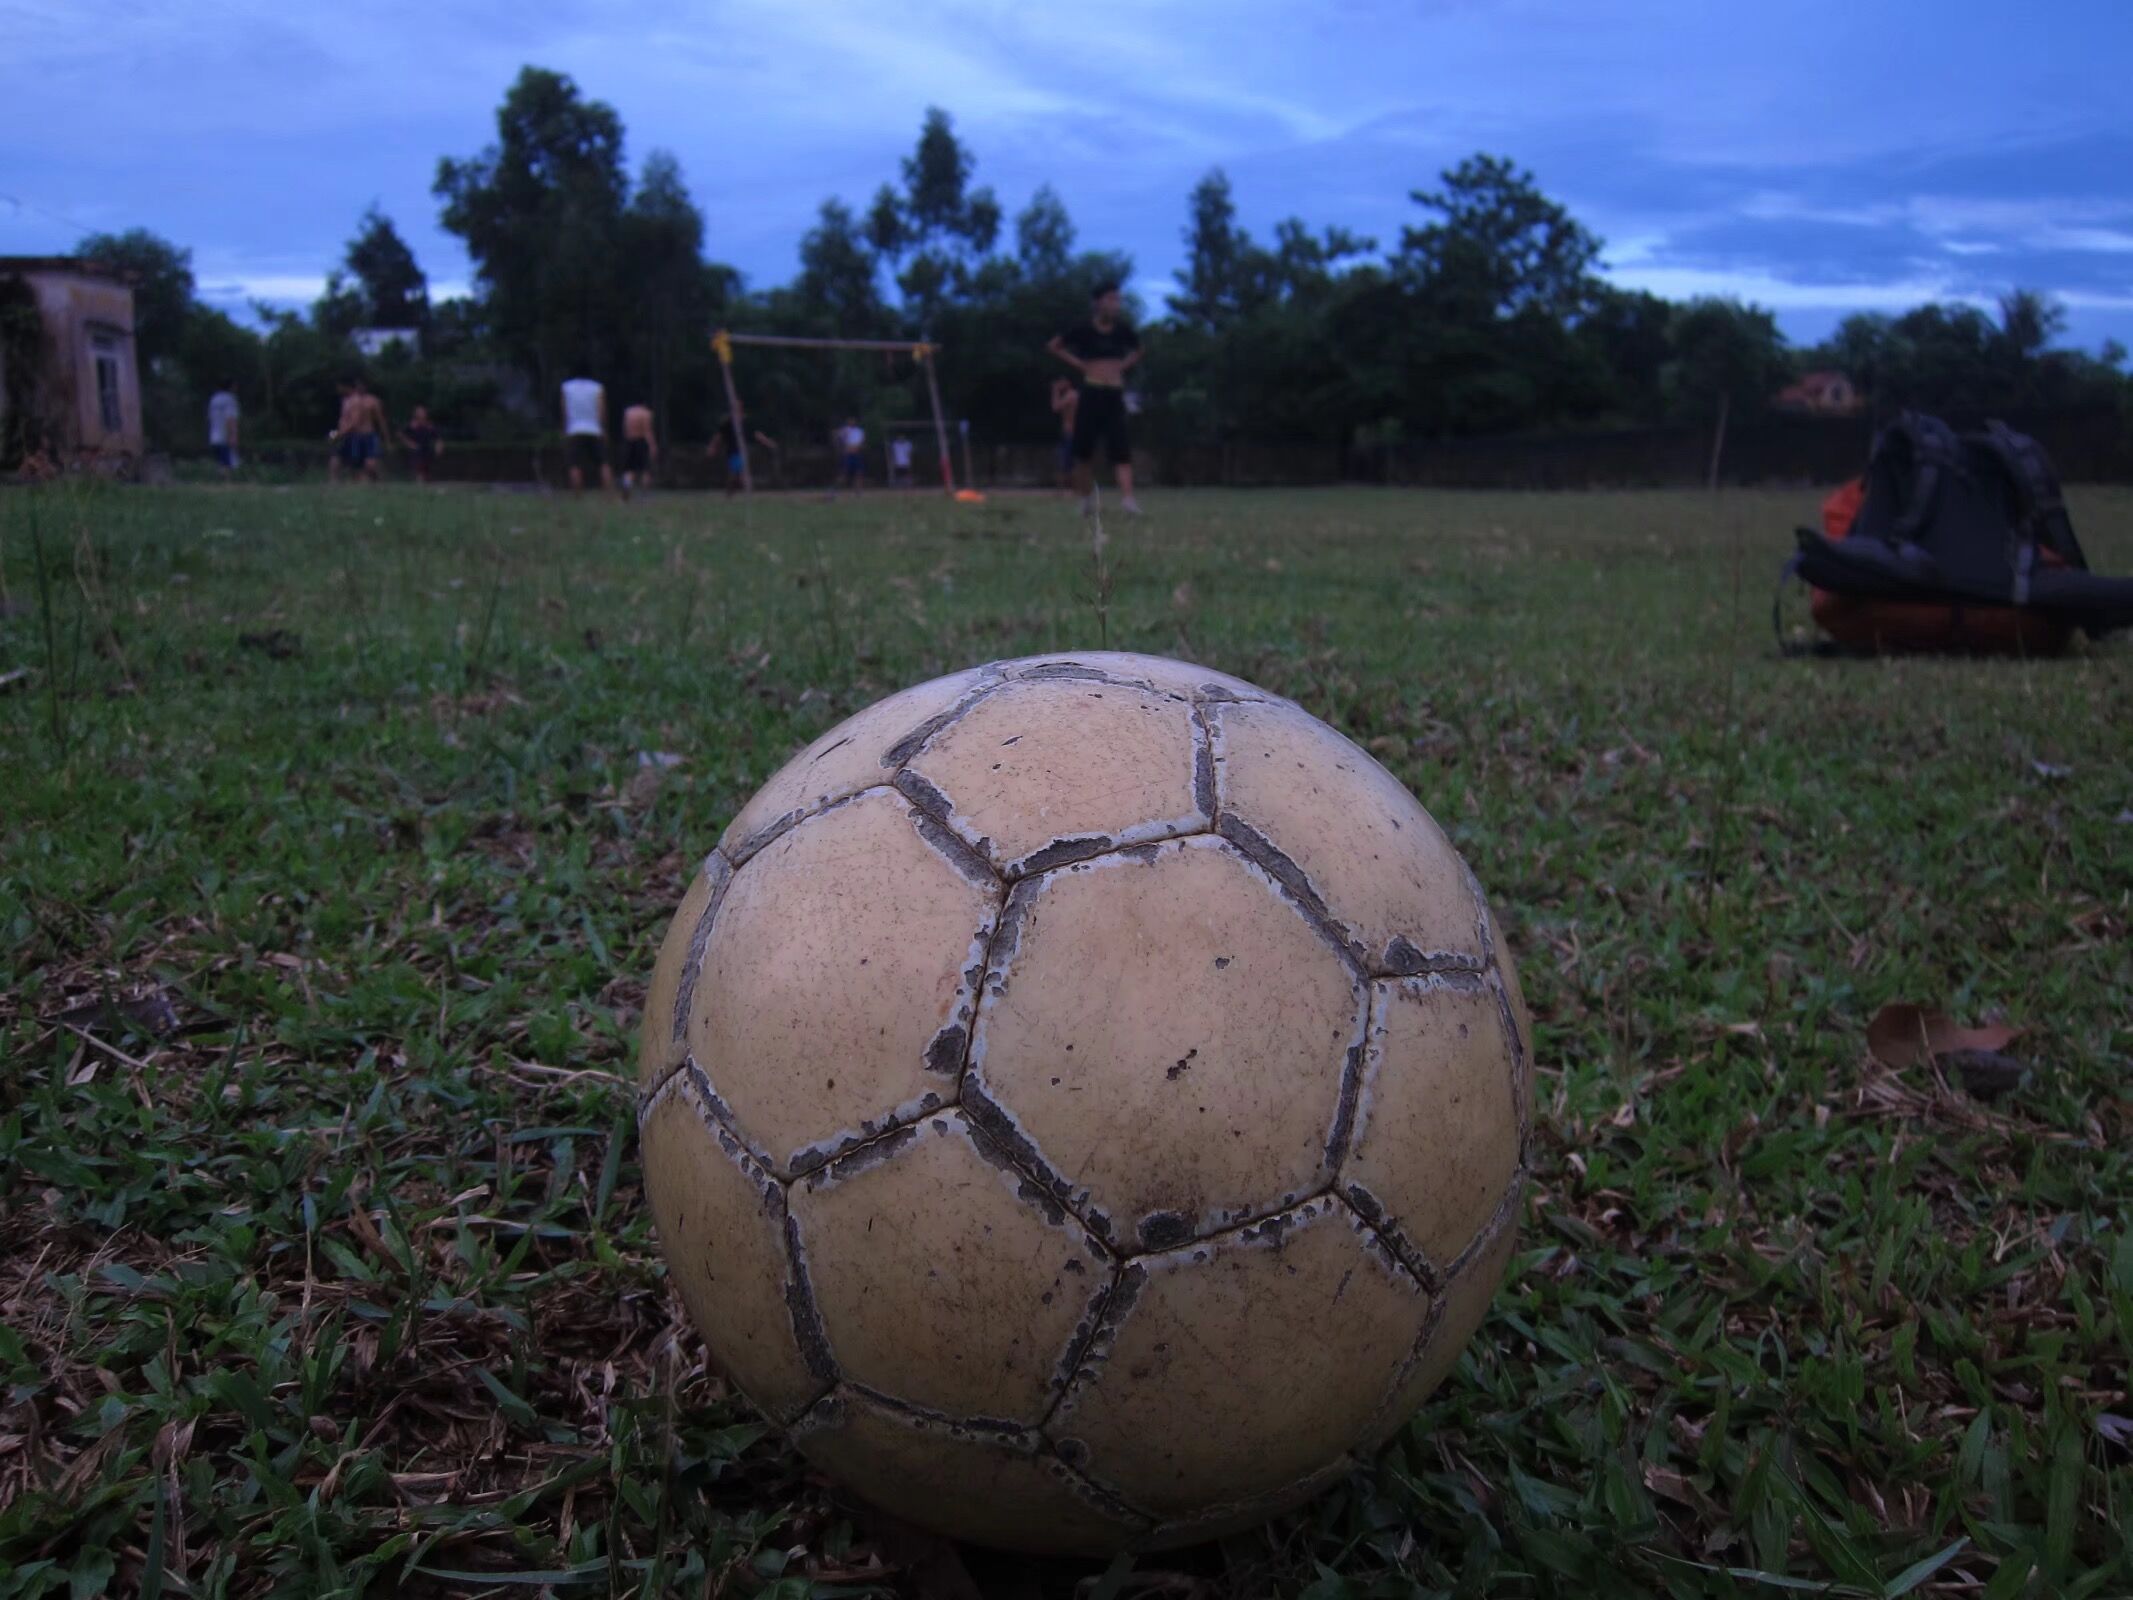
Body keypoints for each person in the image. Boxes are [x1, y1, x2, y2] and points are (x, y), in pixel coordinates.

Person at [1047, 280, 1143, 514]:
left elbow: (1139, 349)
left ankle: (1129, 501)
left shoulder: (1122, 330)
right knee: (1083, 450)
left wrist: (1124, 365)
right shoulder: (1083, 330)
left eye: (1118, 300)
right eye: (1111, 299)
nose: (1116, 304)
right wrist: (1079, 364)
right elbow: (1054, 346)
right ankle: (1086, 500)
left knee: (1121, 449)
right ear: (1098, 303)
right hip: (1091, 392)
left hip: (1114, 393)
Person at [560, 374, 613, 496]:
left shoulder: (566, 387)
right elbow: (601, 410)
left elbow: (564, 411)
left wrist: (564, 429)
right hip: (594, 429)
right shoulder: (597, 387)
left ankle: (577, 494)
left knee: (574, 464)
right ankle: (609, 494)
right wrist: (604, 429)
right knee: (604, 462)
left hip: (574, 430)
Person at [330, 378, 385, 485]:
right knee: (337, 457)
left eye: (339, 386)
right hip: (349, 435)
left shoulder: (357, 401)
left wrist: (337, 434)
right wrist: (336, 433)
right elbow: (344, 419)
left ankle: (376, 481)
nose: (337, 389)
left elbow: (354, 422)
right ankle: (334, 482)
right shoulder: (345, 400)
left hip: (360, 435)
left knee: (368, 465)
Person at [708, 412, 777, 497]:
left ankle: (739, 494)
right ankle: (732, 494)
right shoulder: (727, 424)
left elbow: (757, 435)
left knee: (740, 475)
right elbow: (718, 437)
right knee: (735, 476)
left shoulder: (744, 425)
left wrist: (768, 442)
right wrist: (712, 447)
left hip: (742, 453)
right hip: (732, 453)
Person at [621, 402, 657, 498]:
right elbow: (647, 431)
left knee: (629, 469)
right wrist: (652, 445)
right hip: (642, 442)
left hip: (630, 441)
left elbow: (625, 429)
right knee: (646, 469)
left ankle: (626, 488)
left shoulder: (628, 412)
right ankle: (644, 495)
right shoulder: (646, 413)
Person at [1048, 377, 1078, 493]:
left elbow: (1055, 407)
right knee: (1065, 461)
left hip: (1072, 433)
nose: (1058, 384)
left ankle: (1071, 488)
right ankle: (1064, 489)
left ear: (1068, 383)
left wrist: (1054, 390)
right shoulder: (1070, 395)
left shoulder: (1071, 395)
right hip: (1068, 433)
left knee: (1068, 461)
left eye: (1060, 382)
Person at [398, 405, 441, 484]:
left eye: (423, 413)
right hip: (416, 450)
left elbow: (438, 438)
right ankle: (418, 482)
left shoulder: (429, 426)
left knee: (425, 472)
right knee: (418, 468)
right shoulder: (411, 425)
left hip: (427, 450)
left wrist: (438, 447)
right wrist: (409, 443)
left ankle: (422, 482)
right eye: (419, 413)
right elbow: (400, 434)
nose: (421, 415)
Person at [207, 382, 241, 478]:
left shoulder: (214, 399)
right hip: (224, 436)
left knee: (221, 462)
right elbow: (230, 418)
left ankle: (222, 482)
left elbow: (210, 418)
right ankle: (227, 483)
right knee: (229, 463)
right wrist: (233, 435)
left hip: (214, 435)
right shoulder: (230, 399)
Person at [839, 417, 865, 490]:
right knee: (844, 473)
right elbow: (841, 440)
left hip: (857, 454)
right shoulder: (844, 430)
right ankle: (837, 489)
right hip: (848, 454)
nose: (851, 422)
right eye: (850, 420)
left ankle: (858, 490)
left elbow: (861, 442)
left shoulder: (859, 431)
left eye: (853, 420)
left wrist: (856, 448)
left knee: (859, 472)